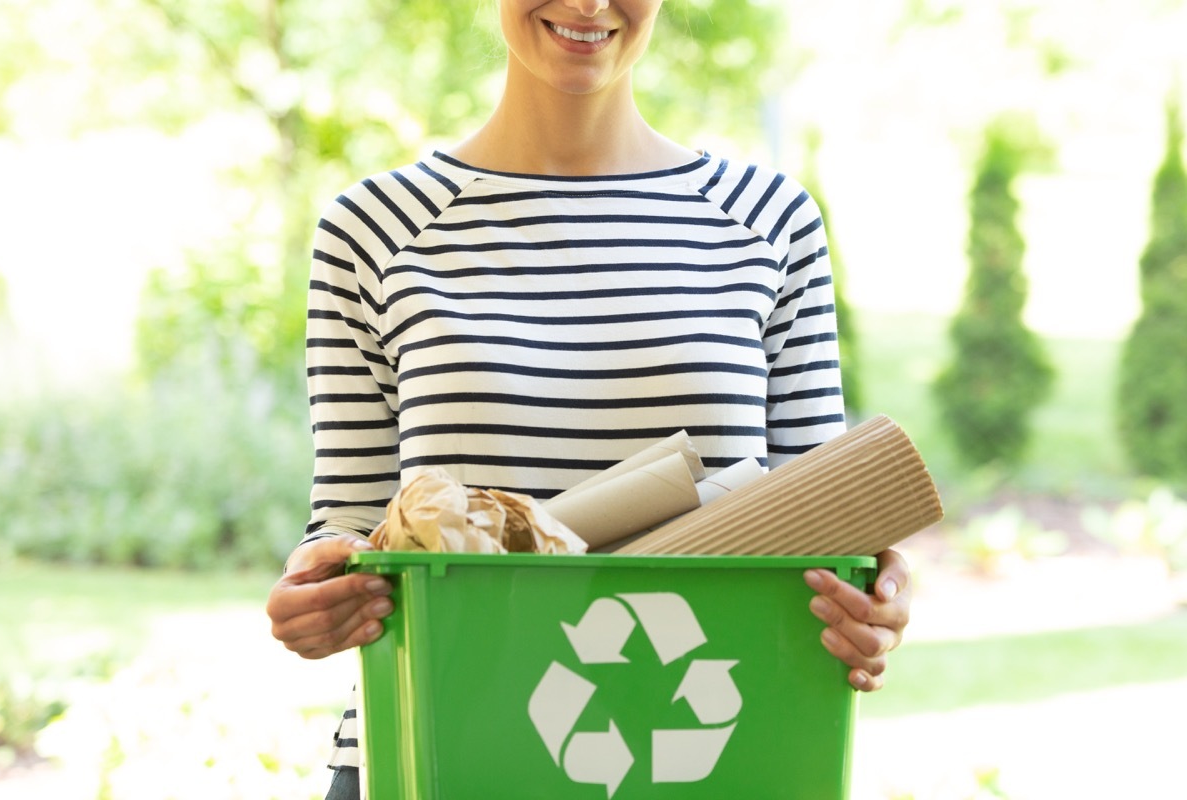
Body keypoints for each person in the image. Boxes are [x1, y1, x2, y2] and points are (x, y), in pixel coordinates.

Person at [265, 1, 913, 797]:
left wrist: (873, 599)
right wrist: (317, 586)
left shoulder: (767, 221)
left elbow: (827, 513)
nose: (588, 4)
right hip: (442, 740)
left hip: (718, 753)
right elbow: (349, 515)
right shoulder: (373, 230)